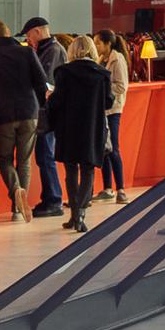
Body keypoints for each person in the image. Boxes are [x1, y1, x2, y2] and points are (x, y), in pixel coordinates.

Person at [0, 19, 49, 223]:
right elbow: (40, 80)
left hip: (5, 114)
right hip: (29, 111)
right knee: (25, 161)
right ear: (8, 32)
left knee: (5, 159)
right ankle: (17, 209)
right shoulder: (27, 52)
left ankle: (16, 192)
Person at [46, 35, 112, 233]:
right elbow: (108, 102)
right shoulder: (102, 74)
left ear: (72, 51)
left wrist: (50, 98)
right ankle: (81, 212)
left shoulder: (63, 72)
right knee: (88, 170)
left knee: (71, 171)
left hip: (69, 127)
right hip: (92, 127)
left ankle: (74, 214)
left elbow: (57, 102)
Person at [21, 17, 67, 218]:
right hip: (45, 111)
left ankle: (53, 199)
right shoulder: (50, 49)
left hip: (45, 113)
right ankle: (51, 197)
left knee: (45, 155)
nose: (28, 39)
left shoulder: (52, 51)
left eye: (28, 34)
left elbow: (43, 80)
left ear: (38, 31)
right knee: (44, 155)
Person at [93, 30, 131, 205]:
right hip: (103, 109)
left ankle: (121, 189)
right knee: (104, 149)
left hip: (113, 109)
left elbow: (121, 86)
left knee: (113, 148)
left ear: (108, 43)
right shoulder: (101, 60)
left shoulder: (118, 60)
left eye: (99, 43)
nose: (96, 46)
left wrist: (104, 93)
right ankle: (108, 188)